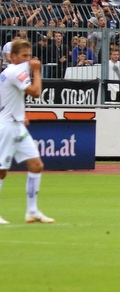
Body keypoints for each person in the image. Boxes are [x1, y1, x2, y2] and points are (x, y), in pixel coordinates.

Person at [0, 39, 55, 224]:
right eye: (24, 56)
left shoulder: (10, 72)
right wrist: (37, 70)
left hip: (16, 124)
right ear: (12, 57)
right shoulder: (16, 71)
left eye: (29, 56)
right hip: (7, 126)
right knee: (1, 171)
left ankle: (32, 211)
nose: (27, 59)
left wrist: (19, 113)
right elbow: (36, 92)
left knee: (36, 165)